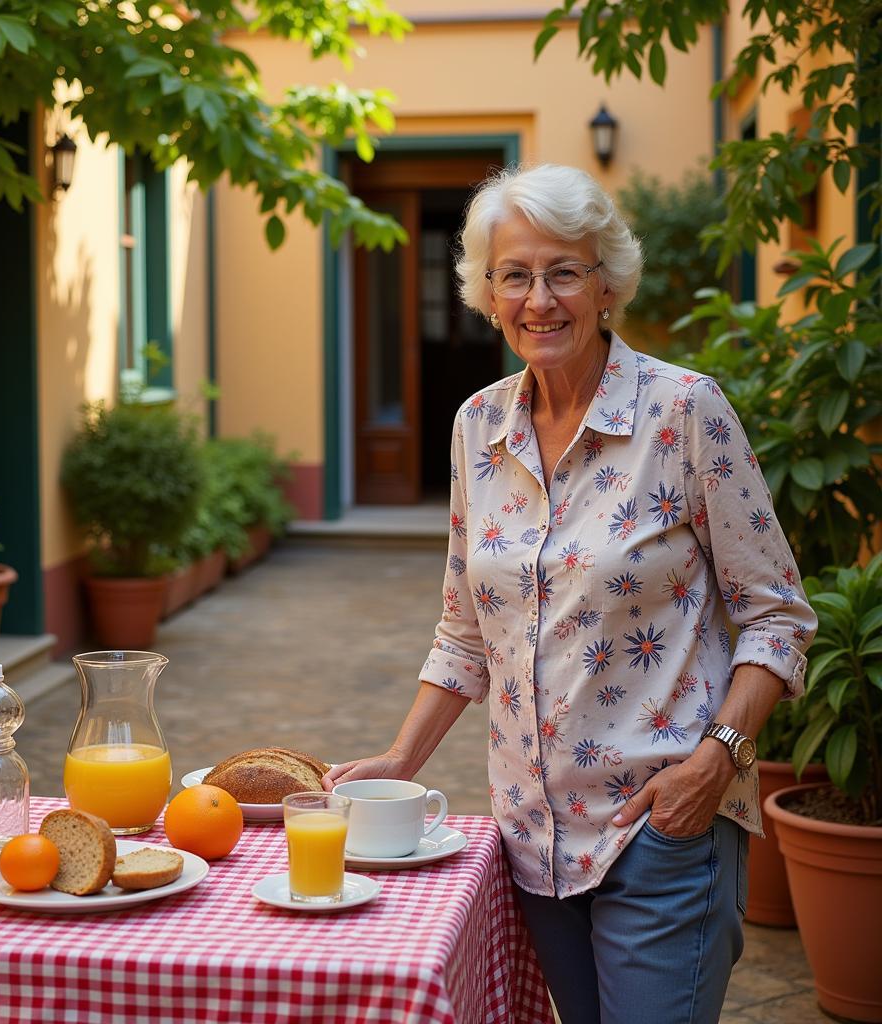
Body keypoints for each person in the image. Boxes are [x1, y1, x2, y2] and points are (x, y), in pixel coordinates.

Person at [324, 163, 817, 1024]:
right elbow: (464, 633)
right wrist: (400, 763)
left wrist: (719, 759)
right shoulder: (478, 427)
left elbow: (776, 612)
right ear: (488, 290)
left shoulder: (686, 413)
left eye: (563, 272)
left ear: (605, 284)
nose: (538, 299)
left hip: (662, 827)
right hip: (530, 842)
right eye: (514, 275)